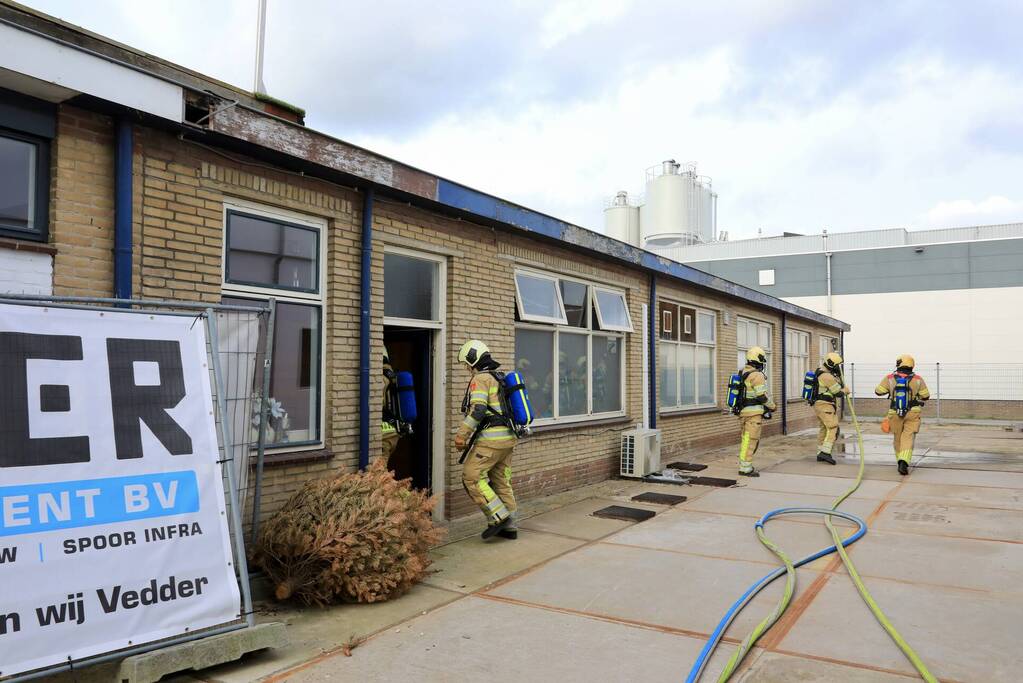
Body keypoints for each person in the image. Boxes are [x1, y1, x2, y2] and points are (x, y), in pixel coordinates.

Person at [455, 340, 518, 540]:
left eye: (467, 364)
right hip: (508, 440)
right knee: (501, 481)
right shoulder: (499, 377)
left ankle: (499, 517)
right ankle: (511, 527)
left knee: (472, 477)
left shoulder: (481, 379)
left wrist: (462, 435)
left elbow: (479, 409)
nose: (467, 368)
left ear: (473, 359)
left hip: (490, 442)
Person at [874, 354, 930, 475]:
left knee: (897, 438)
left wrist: (891, 389)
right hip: (913, 413)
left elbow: (878, 391)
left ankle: (900, 460)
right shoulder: (918, 379)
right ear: (912, 365)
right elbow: (926, 396)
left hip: (894, 412)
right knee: (908, 437)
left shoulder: (889, 378)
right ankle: (904, 462)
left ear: (898, 364)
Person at [736, 346, 777, 477]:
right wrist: (772, 406)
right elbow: (761, 396)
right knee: (751, 440)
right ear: (758, 360)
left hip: (743, 412)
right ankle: (746, 468)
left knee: (746, 440)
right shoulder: (757, 375)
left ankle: (744, 465)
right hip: (753, 415)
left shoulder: (742, 372)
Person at [814, 352, 851, 465]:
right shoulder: (827, 376)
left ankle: (820, 453)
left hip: (820, 405)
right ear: (831, 365)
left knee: (824, 429)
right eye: (836, 365)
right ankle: (825, 452)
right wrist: (846, 390)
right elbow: (838, 392)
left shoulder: (821, 372)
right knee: (833, 428)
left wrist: (838, 375)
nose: (837, 367)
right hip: (826, 406)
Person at [381, 347, 401, 459]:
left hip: (384, 435)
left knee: (378, 473)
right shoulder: (391, 375)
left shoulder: (382, 378)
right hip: (393, 430)